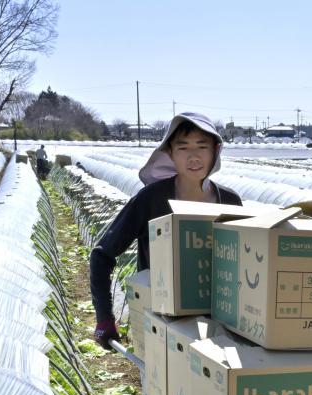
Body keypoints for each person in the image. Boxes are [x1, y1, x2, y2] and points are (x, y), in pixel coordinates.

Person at [89, 112, 241, 347]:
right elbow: (102, 255)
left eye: (202, 146)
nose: (193, 156)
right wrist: (104, 317)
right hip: (158, 324)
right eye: (183, 147)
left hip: (216, 330)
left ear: (216, 150)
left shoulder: (230, 201)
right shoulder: (151, 199)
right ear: (170, 153)